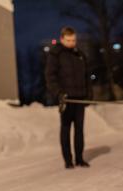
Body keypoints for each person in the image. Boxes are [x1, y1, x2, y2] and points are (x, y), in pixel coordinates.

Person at [45, 26, 91, 169]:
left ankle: (79, 158)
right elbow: (50, 77)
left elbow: (86, 76)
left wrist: (89, 93)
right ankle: (68, 160)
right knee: (65, 129)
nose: (72, 43)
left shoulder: (80, 54)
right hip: (65, 99)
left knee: (79, 130)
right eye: (69, 40)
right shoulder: (56, 54)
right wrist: (58, 93)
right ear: (62, 39)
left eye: (74, 40)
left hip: (79, 98)